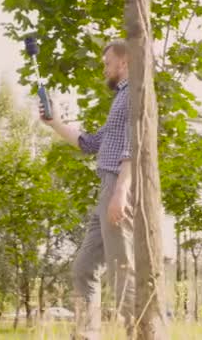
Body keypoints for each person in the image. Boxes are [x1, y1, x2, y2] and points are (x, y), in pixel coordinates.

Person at [38, 39, 134, 340]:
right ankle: (86, 335)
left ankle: (138, 332)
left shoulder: (136, 95)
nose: (104, 69)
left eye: (107, 63)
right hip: (107, 187)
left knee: (122, 269)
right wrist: (54, 122)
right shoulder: (121, 97)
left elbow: (135, 145)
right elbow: (90, 143)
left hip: (120, 186)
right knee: (83, 267)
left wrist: (121, 191)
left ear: (124, 62)